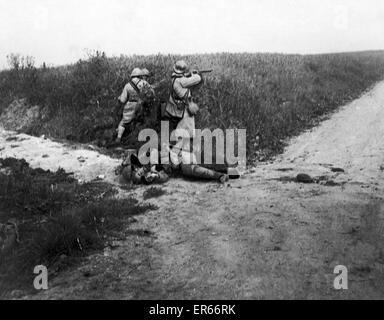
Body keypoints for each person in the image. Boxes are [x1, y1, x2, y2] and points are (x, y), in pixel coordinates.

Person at [115, 68, 155, 143]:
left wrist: (120, 98)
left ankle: (118, 138)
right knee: (140, 121)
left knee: (123, 123)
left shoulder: (127, 85)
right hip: (142, 105)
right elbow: (152, 93)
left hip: (130, 105)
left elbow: (123, 100)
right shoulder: (144, 83)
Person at [163, 60, 203, 134]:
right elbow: (198, 79)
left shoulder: (174, 77)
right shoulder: (181, 81)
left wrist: (189, 74)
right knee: (187, 124)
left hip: (175, 104)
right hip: (184, 105)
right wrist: (195, 74)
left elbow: (183, 77)